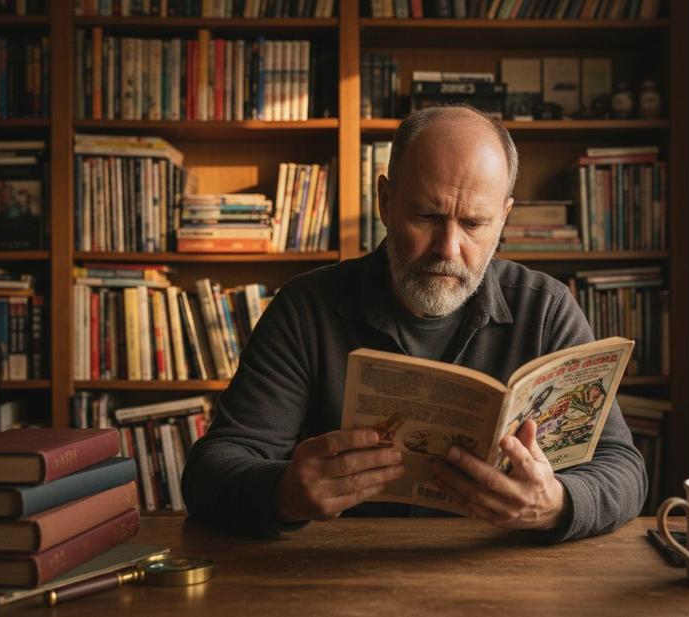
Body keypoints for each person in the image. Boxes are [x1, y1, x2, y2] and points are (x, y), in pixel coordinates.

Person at [182, 105, 647, 543]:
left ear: (503, 219)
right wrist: (284, 492)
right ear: (385, 202)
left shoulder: (546, 309)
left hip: (499, 569)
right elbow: (210, 472)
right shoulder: (305, 308)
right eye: (427, 216)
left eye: (474, 223)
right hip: (338, 569)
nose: (448, 247)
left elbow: (622, 468)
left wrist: (556, 505)